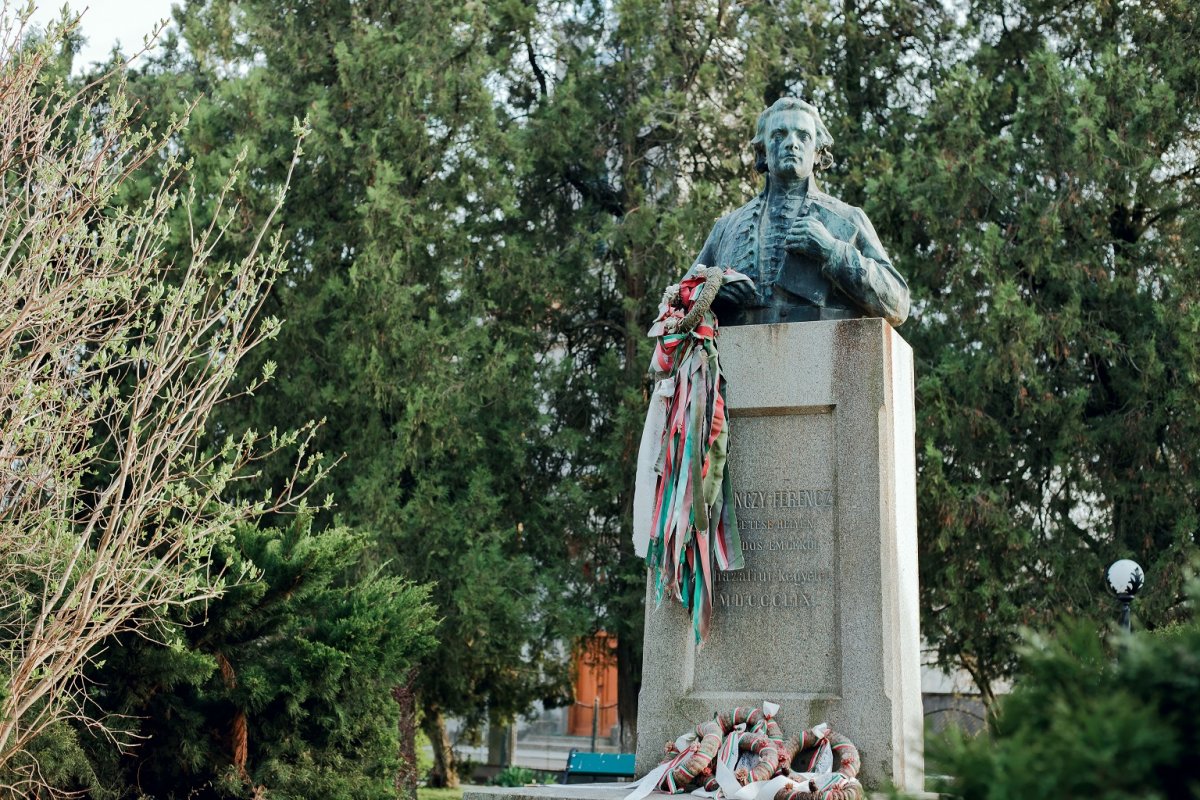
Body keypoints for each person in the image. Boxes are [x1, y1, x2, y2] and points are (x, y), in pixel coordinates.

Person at [691, 97, 910, 327]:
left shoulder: (848, 217)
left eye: (803, 136)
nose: (791, 143)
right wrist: (712, 292)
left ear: (817, 153)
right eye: (778, 135)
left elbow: (898, 304)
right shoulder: (726, 227)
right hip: (738, 356)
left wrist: (832, 251)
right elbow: (677, 304)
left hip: (827, 353)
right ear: (763, 151)